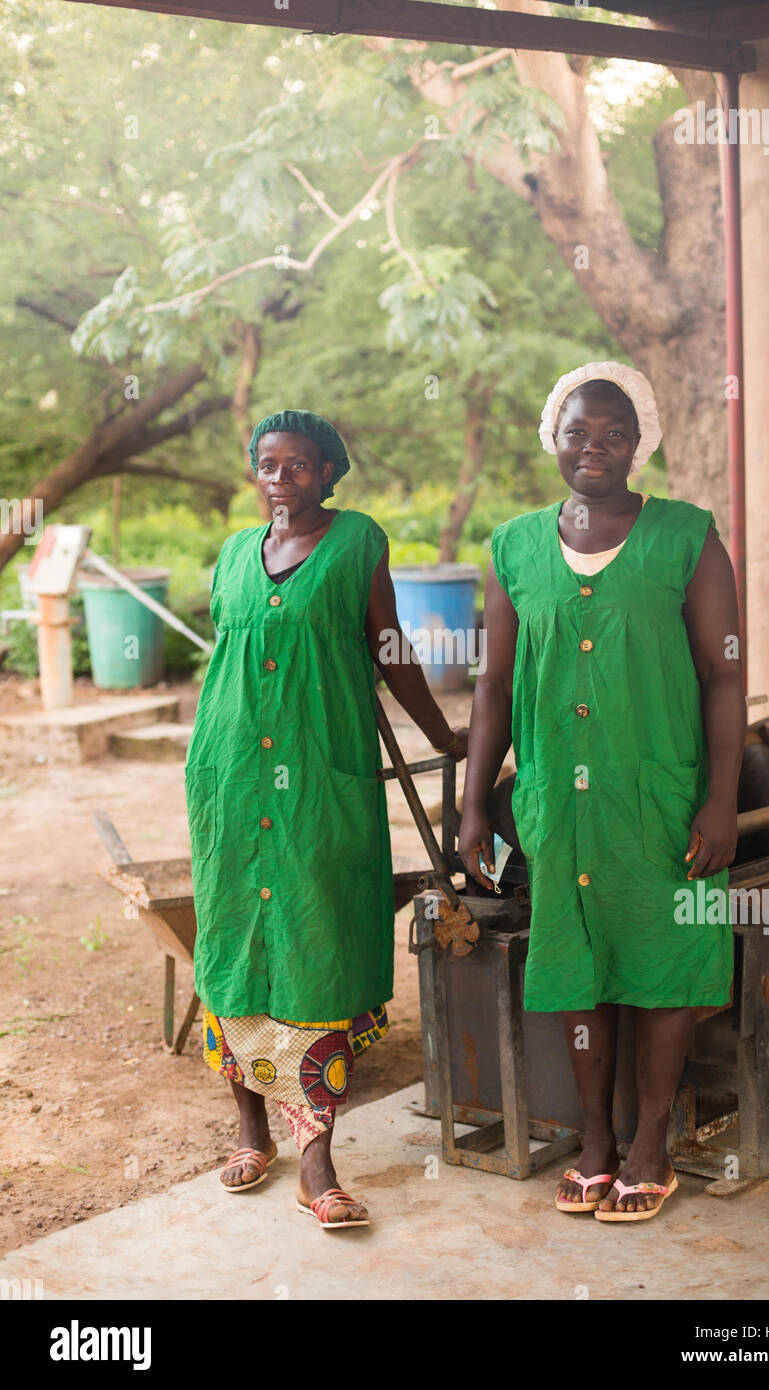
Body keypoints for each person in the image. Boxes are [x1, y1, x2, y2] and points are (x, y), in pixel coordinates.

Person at [458, 362, 745, 1223]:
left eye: (615, 433)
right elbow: (492, 687)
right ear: (555, 436)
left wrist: (721, 798)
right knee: (576, 968)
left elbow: (722, 677)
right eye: (579, 430)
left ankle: (650, 1141)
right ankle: (595, 1140)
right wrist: (475, 803)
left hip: (658, 798)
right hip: (561, 804)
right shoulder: (513, 548)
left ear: (639, 444)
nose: (595, 447)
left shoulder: (688, 537)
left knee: (661, 967)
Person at [185, 409, 467, 1228]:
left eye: (300, 465)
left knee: (317, 948)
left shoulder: (356, 543)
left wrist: (441, 733)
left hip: (318, 781)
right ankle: (250, 1132)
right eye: (269, 464)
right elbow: (232, 655)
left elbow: (386, 647)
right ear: (255, 472)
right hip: (232, 781)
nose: (282, 478)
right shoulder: (236, 553)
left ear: (329, 474)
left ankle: (316, 1163)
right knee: (235, 949)